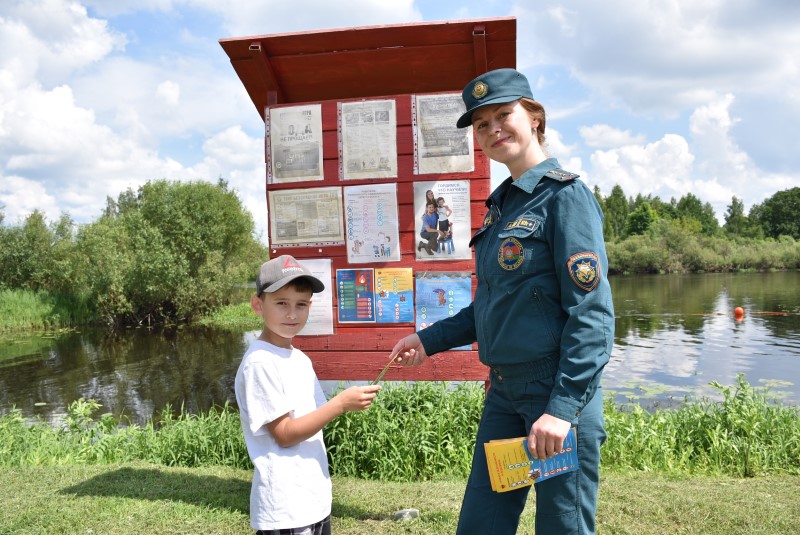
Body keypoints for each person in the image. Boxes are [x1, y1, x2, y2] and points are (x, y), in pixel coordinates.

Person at [390, 68, 614, 534]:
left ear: (534, 117)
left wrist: (562, 408)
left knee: (561, 527)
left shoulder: (565, 198)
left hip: (554, 394)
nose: (493, 129)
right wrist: (427, 340)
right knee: (482, 523)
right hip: (505, 395)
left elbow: (591, 315)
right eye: (481, 124)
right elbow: (491, 307)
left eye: (503, 115)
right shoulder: (501, 209)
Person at [235, 254, 381, 535]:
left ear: (310, 307)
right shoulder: (260, 362)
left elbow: (312, 419)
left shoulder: (299, 359)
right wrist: (340, 404)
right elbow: (285, 434)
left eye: (301, 304)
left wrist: (345, 402)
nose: (292, 314)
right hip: (285, 507)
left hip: (313, 499)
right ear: (258, 305)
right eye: (281, 303)